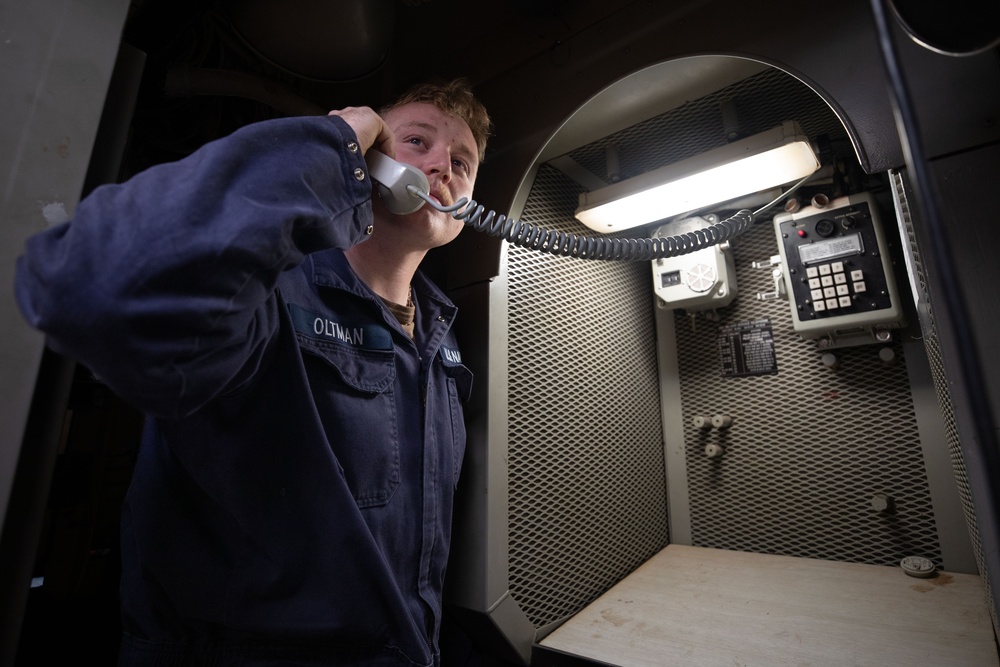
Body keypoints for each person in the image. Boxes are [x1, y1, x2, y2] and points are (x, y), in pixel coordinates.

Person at [15, 78, 492, 666]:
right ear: (370, 158)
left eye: (463, 162)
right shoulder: (263, 291)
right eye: (415, 141)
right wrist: (327, 147)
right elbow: (95, 283)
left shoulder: (446, 341)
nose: (442, 164)